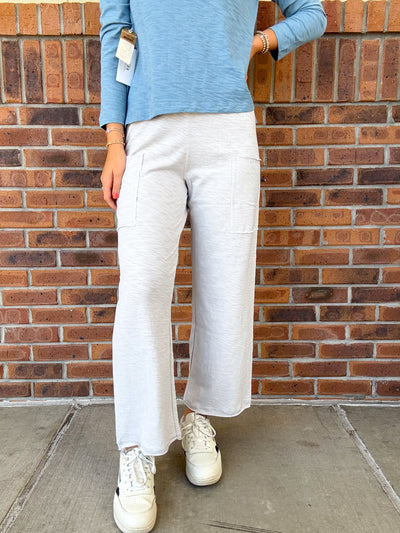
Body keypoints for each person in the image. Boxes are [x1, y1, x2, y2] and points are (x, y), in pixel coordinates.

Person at [99, 1, 327, 531]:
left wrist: (258, 42)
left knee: (225, 284)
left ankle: (198, 414)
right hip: (148, 133)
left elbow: (311, 13)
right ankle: (138, 445)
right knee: (142, 285)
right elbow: (116, 35)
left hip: (227, 133)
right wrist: (113, 140)